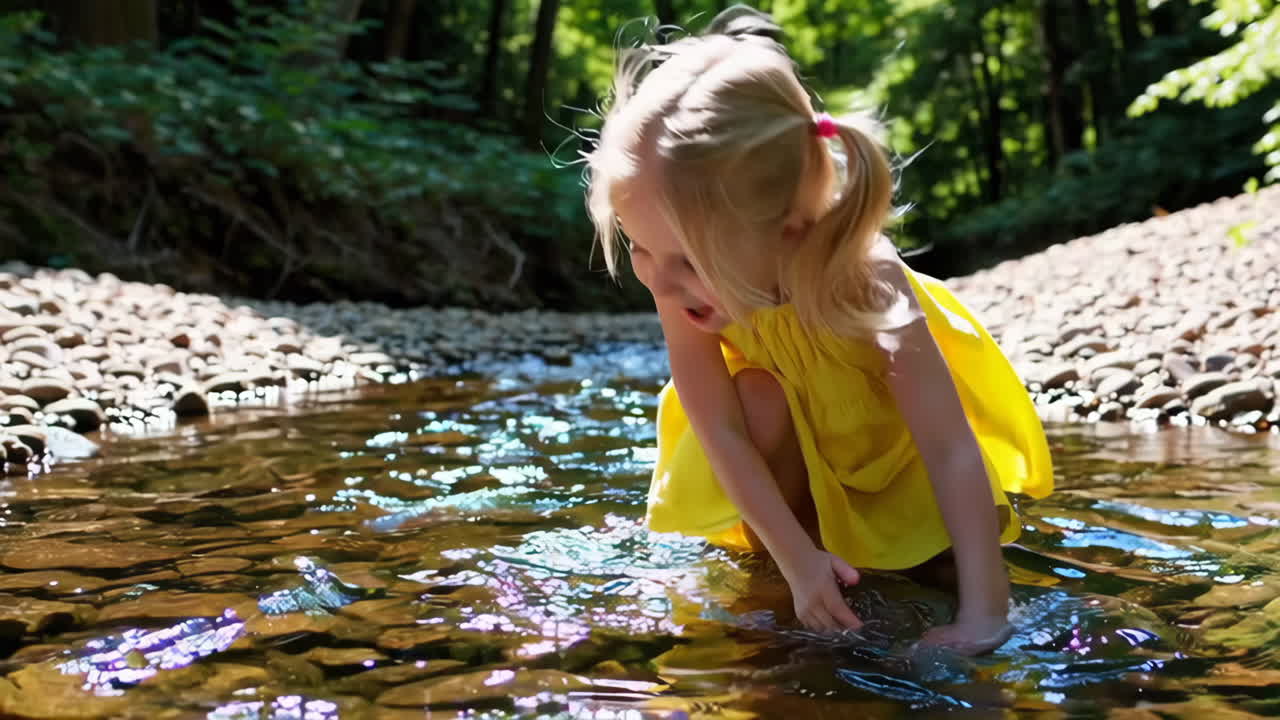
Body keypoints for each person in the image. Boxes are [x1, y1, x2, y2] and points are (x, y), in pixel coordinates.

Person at [584, 5, 1053, 656]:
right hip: (786, 483)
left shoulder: (866, 281)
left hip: (887, 467)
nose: (658, 283)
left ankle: (906, 567)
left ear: (790, 229)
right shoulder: (676, 284)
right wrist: (799, 562)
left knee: (945, 576)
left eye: (689, 262)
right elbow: (717, 428)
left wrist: (985, 611)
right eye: (637, 249)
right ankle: (795, 566)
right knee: (756, 398)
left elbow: (947, 445)